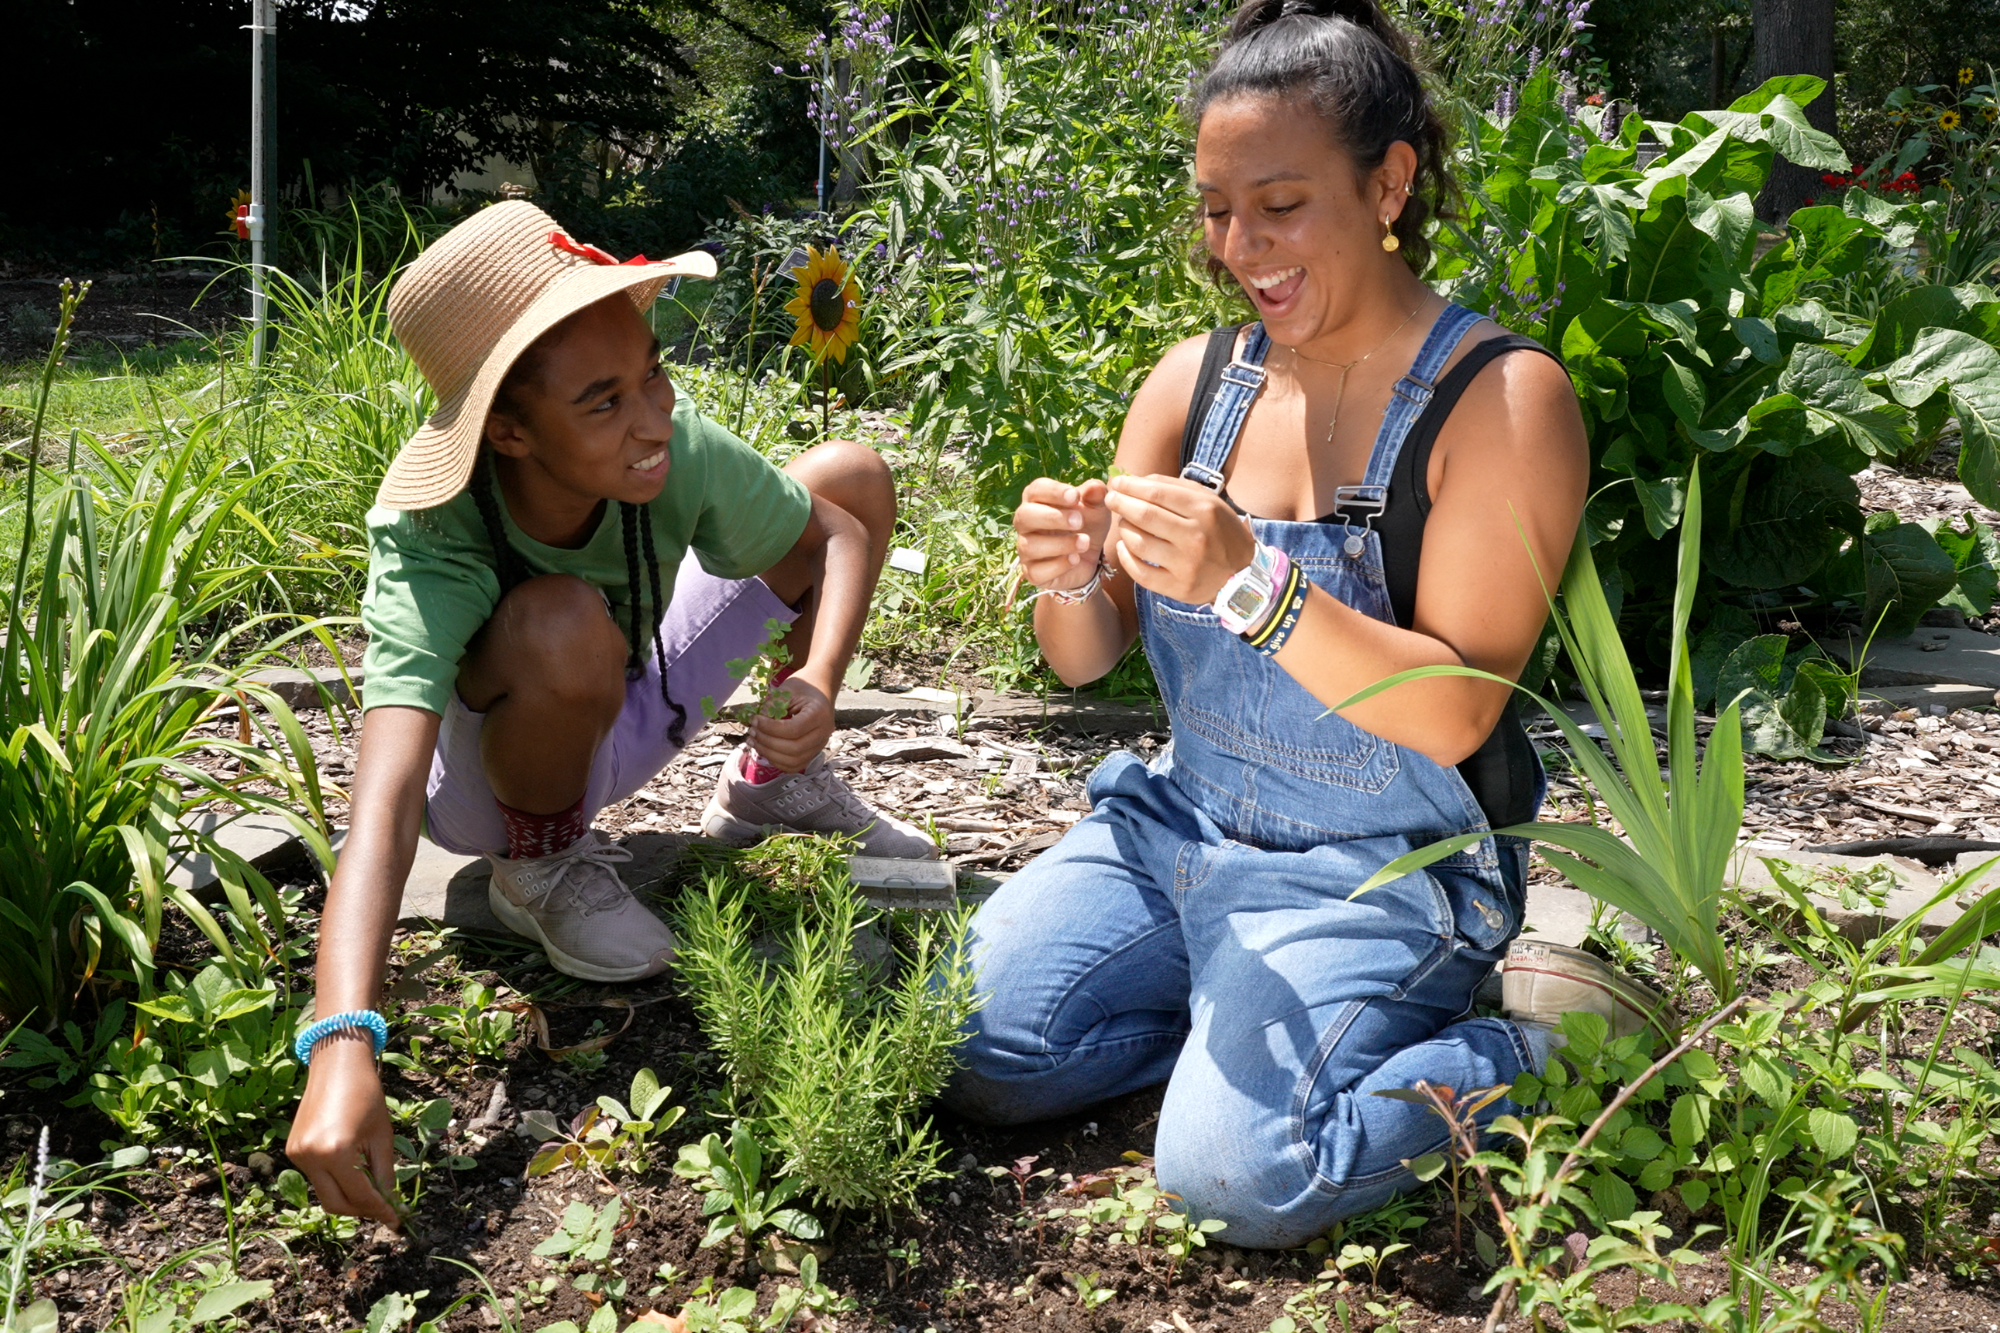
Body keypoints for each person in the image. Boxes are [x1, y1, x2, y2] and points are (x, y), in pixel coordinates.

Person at [945, 0, 1670, 1248]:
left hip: (1379, 870)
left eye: (1278, 206)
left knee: (1243, 1179)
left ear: (1387, 182)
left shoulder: (1499, 400)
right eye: (1216, 209)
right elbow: (1084, 660)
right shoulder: (1194, 383)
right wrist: (1067, 574)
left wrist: (1253, 586)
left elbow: (1452, 713)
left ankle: (1543, 1040)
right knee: (972, 1051)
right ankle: (1232, 1029)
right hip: (1181, 831)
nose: (1239, 246)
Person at [286, 202, 934, 1225]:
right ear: (506, 427)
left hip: (624, 700)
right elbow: (385, 798)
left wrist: (818, 683)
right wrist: (341, 1042)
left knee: (844, 468)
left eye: (652, 374)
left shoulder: (664, 444)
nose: (649, 418)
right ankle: (540, 863)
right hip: (490, 782)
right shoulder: (432, 534)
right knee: (559, 622)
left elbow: (842, 530)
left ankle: (774, 783)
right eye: (601, 400)